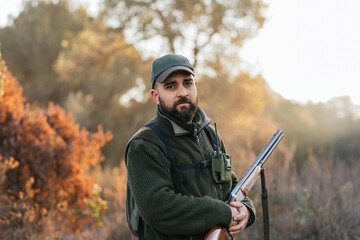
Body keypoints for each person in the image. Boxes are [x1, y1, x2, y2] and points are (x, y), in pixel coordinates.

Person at [125, 54, 256, 240]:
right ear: (155, 96)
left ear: (195, 86)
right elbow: (157, 206)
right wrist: (222, 212)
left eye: (188, 83)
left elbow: (230, 185)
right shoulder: (144, 144)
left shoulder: (210, 135)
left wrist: (246, 209)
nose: (183, 92)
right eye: (171, 86)